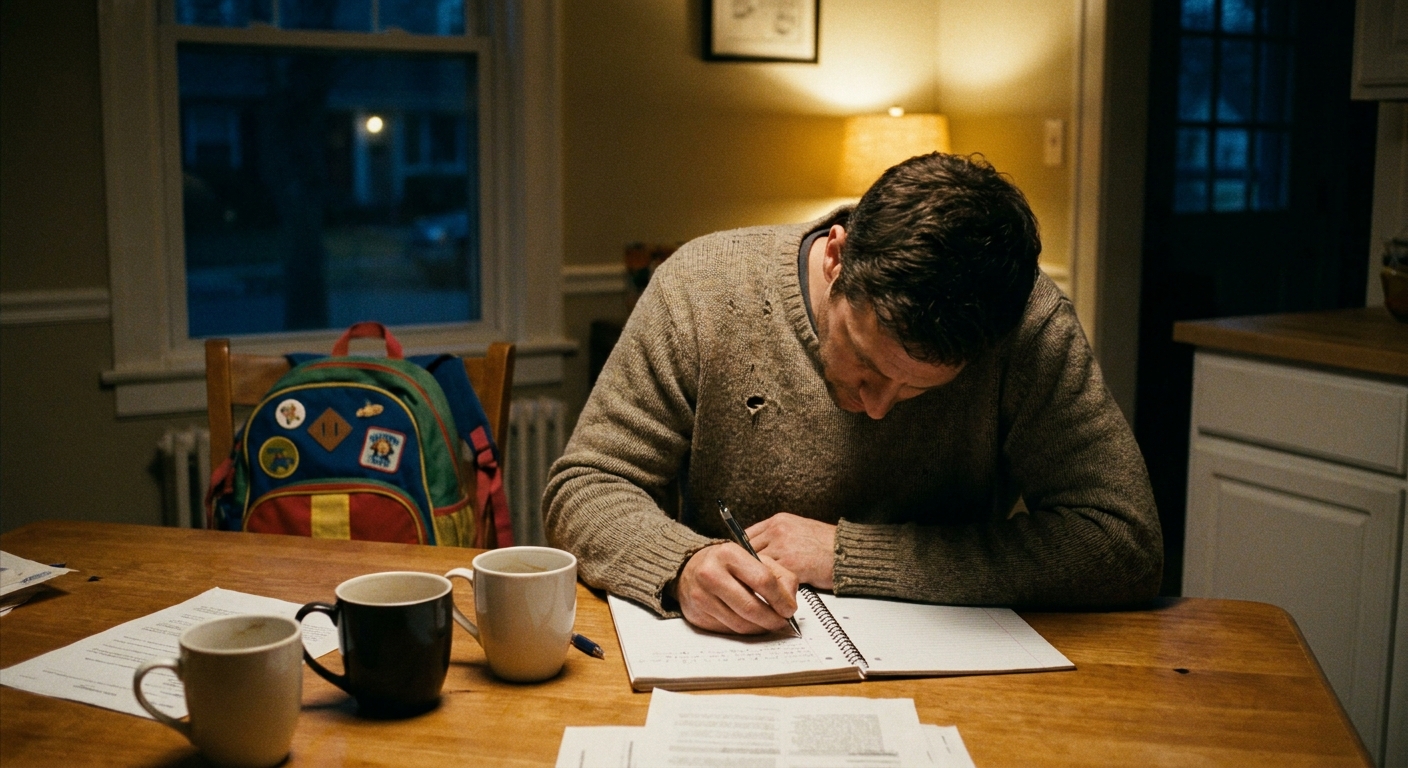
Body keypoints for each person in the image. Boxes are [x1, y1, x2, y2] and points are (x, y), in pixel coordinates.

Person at [543, 152, 1162, 635]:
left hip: (961, 670)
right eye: (866, 362)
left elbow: (1123, 543)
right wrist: (681, 564)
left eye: (920, 388)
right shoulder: (703, 288)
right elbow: (587, 486)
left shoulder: (1028, 328)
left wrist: (847, 555)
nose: (878, 407)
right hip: (735, 657)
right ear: (837, 257)